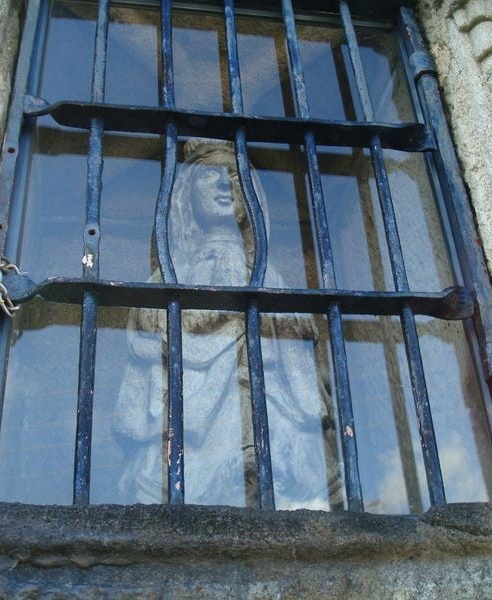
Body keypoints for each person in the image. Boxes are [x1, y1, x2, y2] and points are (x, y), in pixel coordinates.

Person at [115, 138, 341, 509]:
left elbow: (299, 347)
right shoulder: (169, 279)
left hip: (271, 415)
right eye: (210, 176)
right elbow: (148, 335)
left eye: (235, 175)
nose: (224, 183)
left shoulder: (270, 276)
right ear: (186, 196)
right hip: (190, 427)